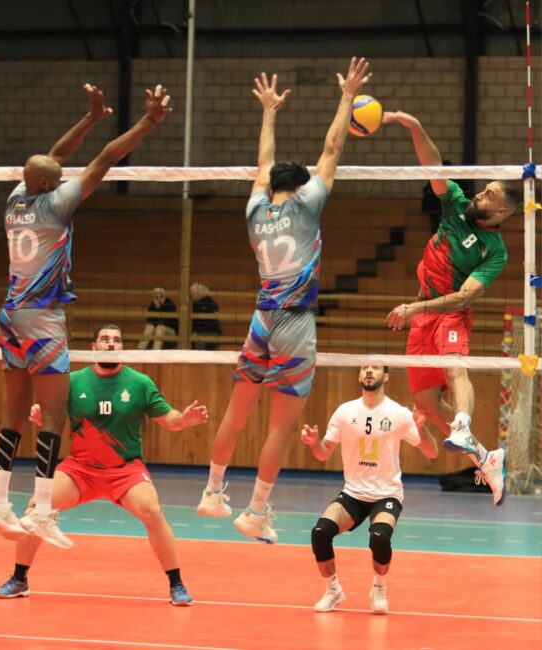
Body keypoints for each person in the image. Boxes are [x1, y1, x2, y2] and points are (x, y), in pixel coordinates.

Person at [0, 82, 174, 549]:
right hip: (42, 319)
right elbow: (104, 159)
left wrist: (89, 118)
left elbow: (51, 158)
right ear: (49, 186)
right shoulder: (55, 204)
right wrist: (147, 122)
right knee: (53, 418)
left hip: (9, 314)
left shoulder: (16, 199)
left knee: (13, 415)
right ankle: (42, 511)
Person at [197, 58, 372, 543]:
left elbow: (261, 166)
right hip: (294, 322)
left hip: (261, 318)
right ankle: (255, 511)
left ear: (272, 184)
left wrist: (269, 113)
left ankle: (212, 492)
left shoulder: (255, 209)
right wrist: (346, 96)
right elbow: (332, 148)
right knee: (278, 428)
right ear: (300, 186)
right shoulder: (307, 204)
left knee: (236, 414)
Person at [0, 324, 209, 606]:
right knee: (36, 507)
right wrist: (40, 415)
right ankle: (19, 578)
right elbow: (51, 416)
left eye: (116, 340)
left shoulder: (140, 383)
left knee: (153, 512)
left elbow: (170, 419)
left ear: (122, 347)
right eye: (105, 339)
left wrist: (184, 419)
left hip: (125, 471)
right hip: (80, 470)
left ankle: (176, 583)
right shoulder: (73, 381)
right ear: (94, 347)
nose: (111, 343)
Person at [382, 110, 521, 506]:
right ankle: (486, 458)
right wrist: (415, 126)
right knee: (427, 403)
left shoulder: (495, 251)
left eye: (489, 196)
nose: (480, 196)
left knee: (456, 367)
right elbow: (434, 165)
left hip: (449, 313)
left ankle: (462, 423)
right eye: (483, 190)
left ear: (501, 212)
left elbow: (463, 298)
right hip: (422, 314)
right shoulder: (456, 204)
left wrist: (413, 309)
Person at [301, 365, 438, 614]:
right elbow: (323, 453)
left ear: (386, 376)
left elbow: (432, 452)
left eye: (375, 367)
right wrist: (313, 443)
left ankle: (379, 587)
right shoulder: (345, 411)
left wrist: (420, 427)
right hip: (353, 493)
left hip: (387, 494)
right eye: (365, 367)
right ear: (359, 374)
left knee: (379, 537)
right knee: (320, 532)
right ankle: (333, 591)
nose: (369, 371)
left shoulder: (399, 413)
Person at [190, 282, 222, 351]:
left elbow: (211, 323)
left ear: (198, 293)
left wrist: (197, 332)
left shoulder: (210, 303)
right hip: (197, 332)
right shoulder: (193, 304)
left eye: (193, 293)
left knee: (198, 338)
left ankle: (200, 357)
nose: (191, 295)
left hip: (213, 333)